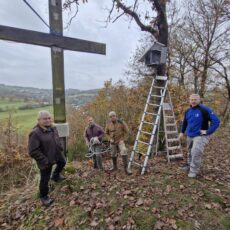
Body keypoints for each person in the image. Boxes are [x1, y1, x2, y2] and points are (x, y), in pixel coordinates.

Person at [28, 111, 66, 207]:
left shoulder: (53, 128)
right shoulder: (35, 133)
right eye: (45, 119)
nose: (48, 120)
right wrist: (45, 161)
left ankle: (56, 175)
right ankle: (44, 197)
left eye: (49, 118)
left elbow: (57, 138)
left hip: (57, 154)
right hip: (45, 161)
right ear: (39, 120)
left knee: (62, 162)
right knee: (45, 179)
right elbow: (33, 151)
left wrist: (60, 147)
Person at [179, 94, 220, 178]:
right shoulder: (188, 111)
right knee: (190, 151)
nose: (193, 101)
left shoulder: (204, 109)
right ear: (189, 100)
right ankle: (189, 165)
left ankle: (194, 171)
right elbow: (185, 122)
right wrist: (182, 132)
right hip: (189, 135)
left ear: (199, 100)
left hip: (200, 135)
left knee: (196, 152)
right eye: (191, 99)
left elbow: (216, 121)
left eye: (195, 99)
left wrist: (207, 131)